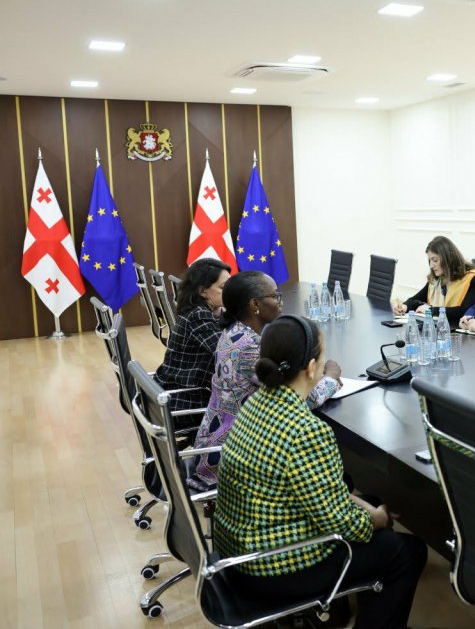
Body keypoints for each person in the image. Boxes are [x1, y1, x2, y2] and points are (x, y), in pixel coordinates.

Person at [214, 315, 427, 628]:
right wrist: (378, 518)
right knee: (406, 552)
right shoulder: (307, 430)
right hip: (273, 569)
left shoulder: (256, 403)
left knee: (366, 500)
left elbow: (318, 490)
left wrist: (366, 506)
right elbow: (344, 524)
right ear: (312, 367)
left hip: (238, 552)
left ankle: (342, 609)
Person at [188, 271, 343, 491]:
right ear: (255, 304)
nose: (280, 301)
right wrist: (331, 378)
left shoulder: (233, 332)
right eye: (275, 296)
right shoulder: (249, 348)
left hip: (217, 441)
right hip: (231, 458)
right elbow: (300, 399)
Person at [154, 258, 231, 419]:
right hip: (185, 400)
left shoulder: (200, 310)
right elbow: (228, 352)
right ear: (203, 291)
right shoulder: (198, 315)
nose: (230, 291)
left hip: (173, 391)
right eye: (223, 287)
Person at [391, 235, 475, 327]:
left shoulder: (474, 279)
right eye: (430, 261)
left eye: (435, 260)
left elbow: (465, 311)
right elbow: (415, 300)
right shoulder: (436, 280)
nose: (431, 265)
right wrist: (405, 306)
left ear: (449, 258)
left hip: (460, 333)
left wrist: (431, 310)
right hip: (437, 330)